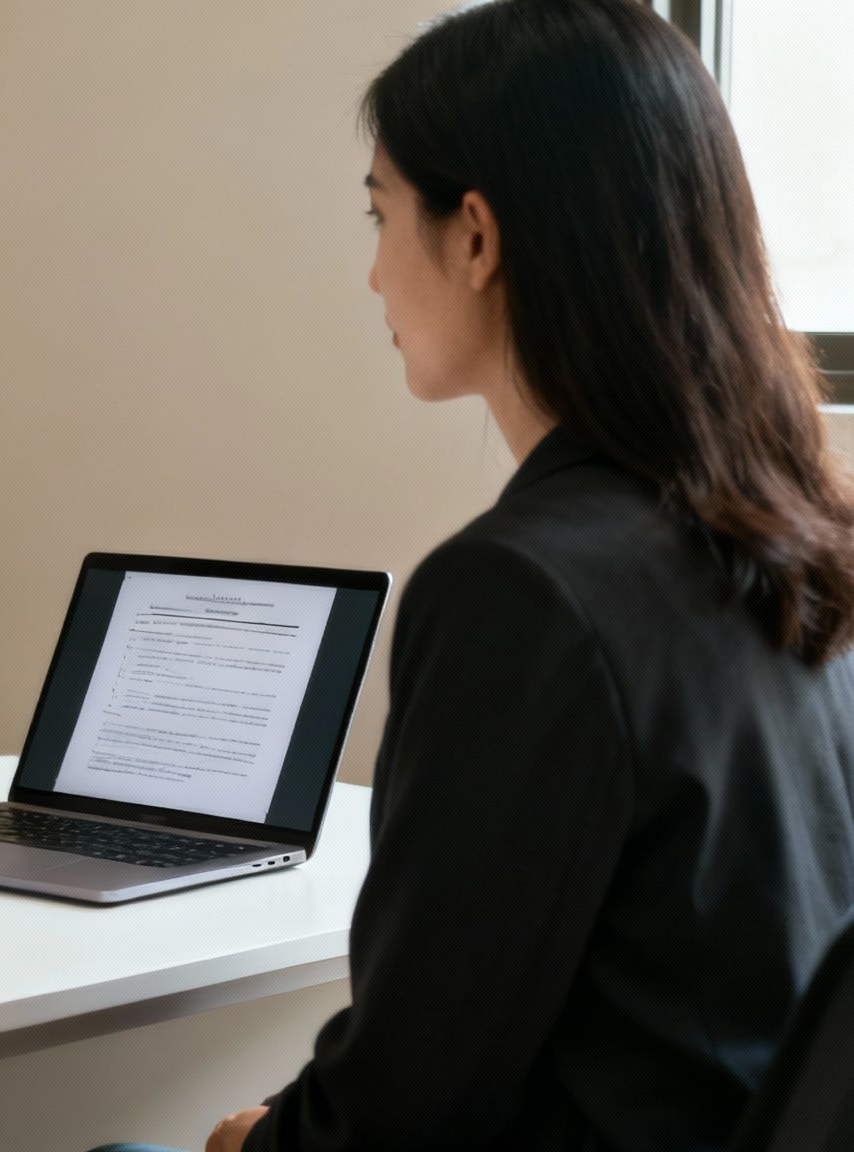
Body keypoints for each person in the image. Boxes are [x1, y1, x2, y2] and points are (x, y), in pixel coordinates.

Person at [107, 2, 854, 1149]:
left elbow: (408, 1103)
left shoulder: (522, 590)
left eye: (378, 214)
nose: (369, 275)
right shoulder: (794, 541)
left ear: (473, 236)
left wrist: (255, 1142)